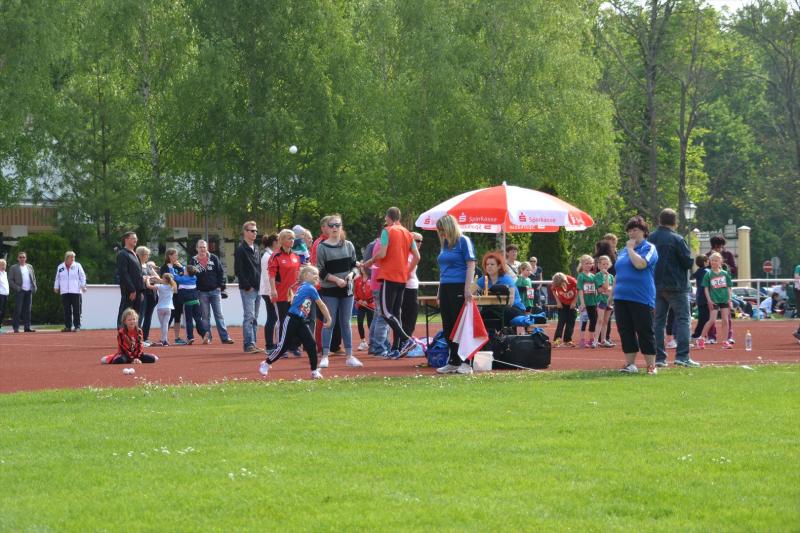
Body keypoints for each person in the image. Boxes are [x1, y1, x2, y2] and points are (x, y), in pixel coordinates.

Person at [363, 207, 420, 358]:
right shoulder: (408, 233)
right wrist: (407, 271)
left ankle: (407, 340)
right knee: (396, 313)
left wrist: (370, 261)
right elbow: (417, 256)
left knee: (386, 312)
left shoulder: (387, 231)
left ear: (388, 217)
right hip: (402, 278)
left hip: (389, 276)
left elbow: (382, 253)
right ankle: (396, 348)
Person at [259, 266, 332, 380]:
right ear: (306, 276)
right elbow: (321, 305)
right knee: (283, 346)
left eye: (317, 274)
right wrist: (329, 318)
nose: (317, 276)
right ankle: (266, 363)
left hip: (301, 321)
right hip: (292, 319)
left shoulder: (304, 286)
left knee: (311, 344)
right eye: (314, 273)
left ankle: (314, 371)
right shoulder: (309, 288)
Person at [648, 208, 698, 367]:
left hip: (655, 285)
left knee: (658, 322)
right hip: (677, 285)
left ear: (660, 220)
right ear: (675, 222)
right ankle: (682, 356)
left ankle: (659, 358)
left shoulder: (650, 238)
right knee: (683, 319)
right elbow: (687, 262)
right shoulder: (677, 239)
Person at [315, 214, 363, 369]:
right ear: (327, 228)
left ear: (341, 227)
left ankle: (349, 356)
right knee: (329, 322)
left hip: (347, 290)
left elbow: (355, 267)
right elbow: (320, 271)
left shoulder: (348, 245)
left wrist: (351, 275)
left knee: (346, 323)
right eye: (332, 225)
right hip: (330, 291)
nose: (335, 228)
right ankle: (325, 356)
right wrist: (336, 280)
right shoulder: (322, 247)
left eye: (337, 225)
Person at [614, 216, 660, 374]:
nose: (632, 233)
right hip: (621, 297)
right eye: (629, 231)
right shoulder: (623, 251)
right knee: (625, 330)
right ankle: (630, 364)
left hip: (641, 297)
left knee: (644, 330)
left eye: (635, 230)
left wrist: (631, 249)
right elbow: (618, 273)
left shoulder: (649, 248)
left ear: (644, 232)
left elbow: (640, 264)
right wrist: (612, 294)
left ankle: (651, 365)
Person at [432, 215, 476, 375]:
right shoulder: (444, 244)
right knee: (448, 325)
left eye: (442, 229)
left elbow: (471, 265)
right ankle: (454, 361)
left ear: (449, 227)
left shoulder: (463, 241)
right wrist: (439, 291)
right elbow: (443, 270)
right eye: (439, 230)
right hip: (446, 287)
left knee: (461, 325)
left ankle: (467, 362)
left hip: (459, 286)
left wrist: (467, 288)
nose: (441, 233)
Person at [191, 239, 234, 345]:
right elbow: (191, 276)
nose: (202, 249)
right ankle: (207, 338)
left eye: (204, 247)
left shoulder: (214, 258)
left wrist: (220, 286)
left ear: (207, 248)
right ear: (196, 248)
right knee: (205, 317)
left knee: (219, 315)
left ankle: (225, 338)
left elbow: (220, 272)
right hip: (202, 292)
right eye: (200, 247)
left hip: (215, 290)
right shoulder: (193, 261)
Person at [269, 229, 302, 355]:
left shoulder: (296, 256)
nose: (292, 240)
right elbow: (271, 275)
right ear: (282, 240)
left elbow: (298, 275)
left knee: (295, 320)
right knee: (283, 321)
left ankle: (293, 346)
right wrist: (273, 290)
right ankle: (281, 348)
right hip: (281, 294)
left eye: (293, 238)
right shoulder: (275, 256)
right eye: (289, 238)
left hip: (295, 295)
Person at [474, 251, 526, 331]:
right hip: (496, 309)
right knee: (482, 315)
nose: (489, 266)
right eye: (487, 264)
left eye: (492, 264)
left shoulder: (506, 279)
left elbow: (510, 302)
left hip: (514, 309)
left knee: (492, 314)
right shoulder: (484, 279)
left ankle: (495, 335)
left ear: (499, 266)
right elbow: (472, 292)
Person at [234, 221, 262, 354]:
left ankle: (253, 343)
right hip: (248, 289)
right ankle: (248, 344)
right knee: (249, 316)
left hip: (258, 287)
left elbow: (259, 268)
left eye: (256, 231)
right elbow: (238, 270)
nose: (255, 233)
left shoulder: (256, 248)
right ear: (245, 232)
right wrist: (247, 286)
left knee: (255, 317)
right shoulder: (241, 249)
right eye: (252, 231)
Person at [697, 252, 734, 350]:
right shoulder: (708, 274)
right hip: (714, 300)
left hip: (724, 299)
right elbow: (706, 289)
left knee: (725, 320)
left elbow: (729, 287)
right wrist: (709, 300)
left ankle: (725, 341)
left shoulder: (725, 273)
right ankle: (701, 338)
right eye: (712, 260)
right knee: (712, 320)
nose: (714, 262)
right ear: (709, 262)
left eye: (716, 260)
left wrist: (730, 299)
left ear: (720, 262)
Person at [706, 235, 736, 344]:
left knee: (727, 315)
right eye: (716, 247)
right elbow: (705, 271)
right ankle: (711, 336)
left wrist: (724, 266)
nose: (719, 248)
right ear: (712, 246)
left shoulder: (728, 254)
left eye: (720, 246)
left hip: (724, 289)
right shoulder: (707, 256)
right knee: (712, 315)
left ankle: (728, 336)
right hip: (713, 290)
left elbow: (734, 269)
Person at [172, 265, 211, 345]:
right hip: (196, 302)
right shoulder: (194, 277)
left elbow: (174, 276)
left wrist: (170, 267)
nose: (184, 271)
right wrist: (182, 267)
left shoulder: (183, 279)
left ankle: (190, 337)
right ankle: (204, 334)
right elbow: (186, 272)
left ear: (187, 272)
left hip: (188, 303)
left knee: (189, 320)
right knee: (198, 319)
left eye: (185, 270)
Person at [53, 251, 87, 332]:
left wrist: (83, 285)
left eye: (73, 257)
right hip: (64, 291)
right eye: (72, 257)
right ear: (67, 258)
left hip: (76, 291)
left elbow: (82, 276)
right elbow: (57, 278)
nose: (73, 259)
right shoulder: (60, 267)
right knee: (66, 310)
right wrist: (56, 287)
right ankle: (68, 326)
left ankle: (77, 326)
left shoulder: (77, 266)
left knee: (77, 310)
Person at [258, 234, 280, 350]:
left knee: (273, 317)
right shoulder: (268, 256)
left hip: (269, 291)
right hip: (269, 291)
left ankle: (271, 344)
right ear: (274, 242)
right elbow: (267, 277)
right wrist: (272, 291)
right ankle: (269, 345)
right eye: (279, 240)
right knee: (272, 317)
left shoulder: (270, 255)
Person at [160, 248, 187, 344]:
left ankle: (177, 337)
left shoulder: (179, 266)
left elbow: (185, 277)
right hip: (169, 295)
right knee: (169, 316)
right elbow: (163, 281)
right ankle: (164, 338)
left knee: (177, 316)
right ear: (170, 256)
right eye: (175, 255)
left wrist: (182, 268)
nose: (177, 257)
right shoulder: (164, 267)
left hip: (179, 294)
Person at [401, 232, 423, 344]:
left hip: (412, 288)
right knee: (409, 317)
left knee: (411, 317)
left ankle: (406, 340)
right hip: (408, 289)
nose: (420, 243)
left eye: (421, 241)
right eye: (417, 240)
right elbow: (407, 274)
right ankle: (405, 341)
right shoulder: (408, 255)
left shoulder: (412, 254)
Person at [10, 251, 38, 333]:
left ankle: (27, 327)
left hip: (29, 291)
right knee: (18, 310)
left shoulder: (30, 266)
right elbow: (10, 280)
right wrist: (18, 288)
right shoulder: (13, 267)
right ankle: (16, 328)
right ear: (17, 258)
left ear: (26, 258)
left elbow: (33, 278)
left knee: (28, 310)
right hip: (20, 291)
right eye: (20, 257)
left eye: (24, 257)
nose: (22, 259)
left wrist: (34, 287)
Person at [136, 246, 159, 346]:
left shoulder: (149, 266)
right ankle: (137, 339)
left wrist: (148, 278)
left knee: (148, 317)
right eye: (147, 254)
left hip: (151, 295)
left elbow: (157, 278)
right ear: (141, 255)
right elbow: (138, 278)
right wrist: (147, 278)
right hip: (143, 293)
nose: (148, 256)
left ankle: (145, 338)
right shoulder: (136, 266)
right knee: (140, 316)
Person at [576, 254, 598, 348]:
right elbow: (580, 290)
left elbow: (595, 290)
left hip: (592, 302)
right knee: (584, 320)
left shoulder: (593, 276)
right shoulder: (581, 276)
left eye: (590, 263)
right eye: (586, 263)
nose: (589, 265)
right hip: (584, 302)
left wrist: (596, 300)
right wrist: (582, 303)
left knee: (593, 320)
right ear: (582, 264)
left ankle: (591, 339)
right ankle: (582, 340)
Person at [551, 272, 578, 347]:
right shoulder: (555, 282)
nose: (561, 287)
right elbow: (553, 291)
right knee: (561, 322)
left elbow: (579, 290)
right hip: (562, 304)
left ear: (564, 281)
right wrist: (558, 302)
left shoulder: (572, 280)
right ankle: (557, 340)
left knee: (571, 322)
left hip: (572, 304)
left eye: (562, 284)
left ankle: (567, 340)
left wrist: (574, 302)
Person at [593, 255, 614, 347]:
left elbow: (611, 289)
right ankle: (595, 341)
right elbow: (605, 287)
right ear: (599, 265)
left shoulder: (611, 276)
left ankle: (603, 340)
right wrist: (606, 277)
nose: (605, 266)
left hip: (609, 301)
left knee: (606, 321)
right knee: (600, 320)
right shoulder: (598, 275)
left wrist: (607, 290)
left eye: (607, 264)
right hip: (601, 300)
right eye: (603, 264)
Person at [354, 263, 374, 351]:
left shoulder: (372, 279)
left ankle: (372, 342)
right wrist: (358, 300)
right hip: (361, 305)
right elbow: (354, 292)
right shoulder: (357, 280)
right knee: (359, 322)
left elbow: (374, 292)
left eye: (364, 266)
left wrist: (368, 301)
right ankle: (363, 342)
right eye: (361, 267)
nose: (362, 268)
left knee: (370, 324)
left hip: (370, 305)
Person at [152, 272, 176, 346]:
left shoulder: (160, 286)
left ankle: (163, 339)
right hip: (168, 308)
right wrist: (158, 279)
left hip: (160, 308)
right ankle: (164, 339)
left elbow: (149, 286)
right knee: (165, 324)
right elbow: (165, 281)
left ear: (164, 279)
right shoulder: (172, 286)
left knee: (162, 325)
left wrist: (147, 280)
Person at [691, 255, 711, 341]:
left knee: (703, 317)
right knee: (705, 318)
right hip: (706, 297)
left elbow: (693, 276)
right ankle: (697, 335)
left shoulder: (698, 271)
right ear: (705, 262)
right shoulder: (707, 271)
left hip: (700, 297)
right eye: (707, 260)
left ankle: (700, 334)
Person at [0, 259, 9, 333]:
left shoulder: (5, 273)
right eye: (2, 265)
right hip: (0, 294)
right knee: (0, 311)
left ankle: (0, 326)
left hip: (5, 294)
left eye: (4, 265)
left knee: (3, 312)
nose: (4, 266)